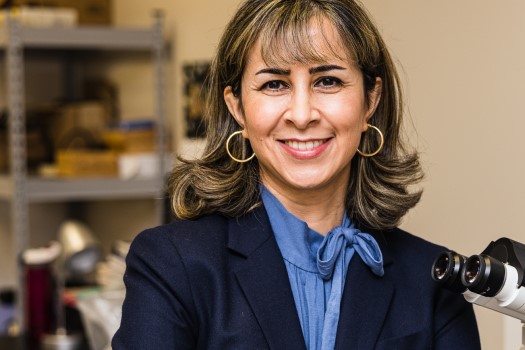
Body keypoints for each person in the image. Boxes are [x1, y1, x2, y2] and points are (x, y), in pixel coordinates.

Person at [112, 0, 481, 349]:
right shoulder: (171, 264)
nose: (302, 115)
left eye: (328, 81)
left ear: (371, 99)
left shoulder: (436, 280)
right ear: (237, 106)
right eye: (274, 84)